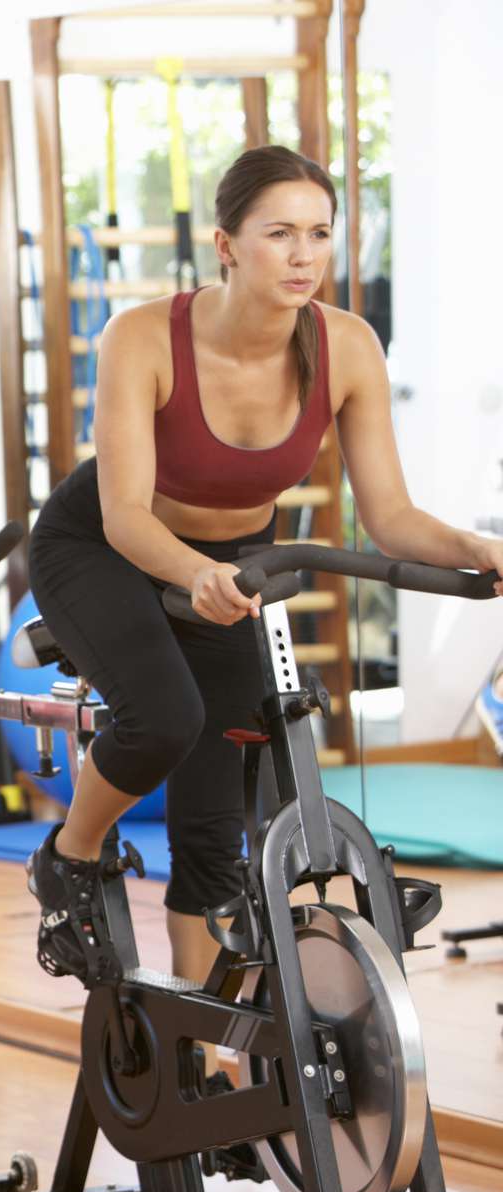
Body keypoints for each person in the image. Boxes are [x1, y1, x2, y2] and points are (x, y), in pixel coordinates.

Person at [27, 144, 503, 995]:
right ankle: (69, 853)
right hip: (101, 544)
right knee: (165, 716)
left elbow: (389, 516)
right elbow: (125, 514)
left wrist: (475, 547)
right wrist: (194, 575)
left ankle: (203, 1035)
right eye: (279, 233)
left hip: (236, 562)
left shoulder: (347, 346)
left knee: (218, 813)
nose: (303, 255)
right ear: (226, 245)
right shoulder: (143, 336)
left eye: (318, 233)